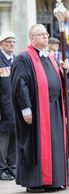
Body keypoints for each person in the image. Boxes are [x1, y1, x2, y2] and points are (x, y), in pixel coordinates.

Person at [11, 24, 69, 192]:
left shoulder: (50, 57)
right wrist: (26, 108)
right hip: (36, 110)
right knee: (35, 145)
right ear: (31, 38)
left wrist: (63, 72)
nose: (45, 37)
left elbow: (56, 81)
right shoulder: (24, 58)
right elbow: (19, 84)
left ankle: (54, 180)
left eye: (46, 34)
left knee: (55, 144)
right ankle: (36, 182)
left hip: (54, 108)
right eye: (40, 34)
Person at [0, 31, 16, 181]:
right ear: (1, 44)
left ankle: (12, 167)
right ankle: (2, 168)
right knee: (2, 140)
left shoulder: (16, 60)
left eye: (12, 42)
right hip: (3, 108)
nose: (10, 45)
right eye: (7, 42)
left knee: (14, 138)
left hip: (14, 108)